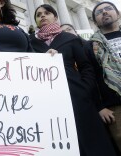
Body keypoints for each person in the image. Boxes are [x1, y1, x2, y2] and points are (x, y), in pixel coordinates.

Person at [29, 4, 117, 156]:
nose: (42, 16)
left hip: (77, 95)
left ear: (55, 17)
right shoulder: (30, 42)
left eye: (47, 13)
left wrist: (84, 88)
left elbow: (86, 67)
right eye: (38, 14)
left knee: (90, 141)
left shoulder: (69, 38)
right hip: (47, 99)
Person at [89, 1, 121, 153]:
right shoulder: (90, 46)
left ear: (118, 14)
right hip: (115, 107)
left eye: (108, 9)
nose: (105, 12)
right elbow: (91, 77)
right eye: (99, 12)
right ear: (95, 21)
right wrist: (100, 106)